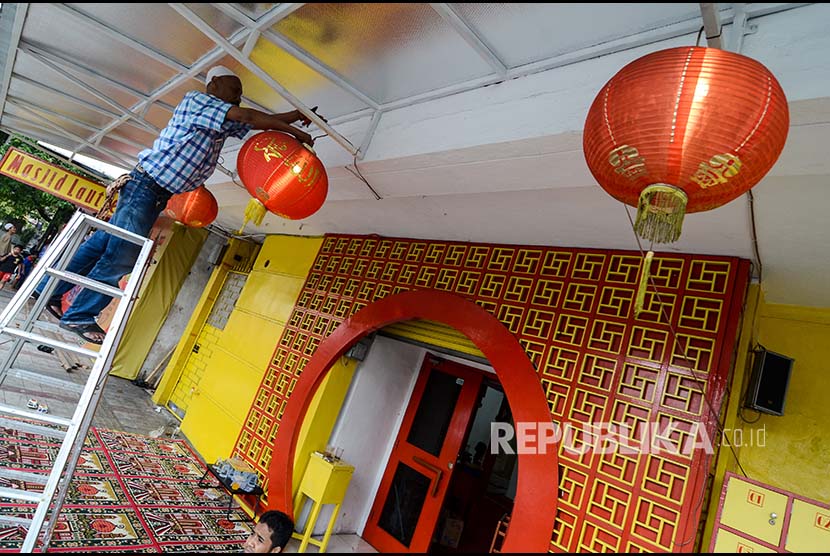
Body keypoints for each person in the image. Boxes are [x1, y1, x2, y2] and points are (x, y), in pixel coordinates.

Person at [34, 65, 315, 344]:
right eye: (235, 90)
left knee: (104, 243)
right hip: (147, 187)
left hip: (152, 192)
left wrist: (293, 118)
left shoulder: (220, 117)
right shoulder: (198, 100)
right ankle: (79, 315)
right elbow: (247, 115)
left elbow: (254, 121)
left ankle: (49, 289)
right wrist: (296, 132)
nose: (238, 98)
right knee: (123, 253)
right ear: (214, 83)